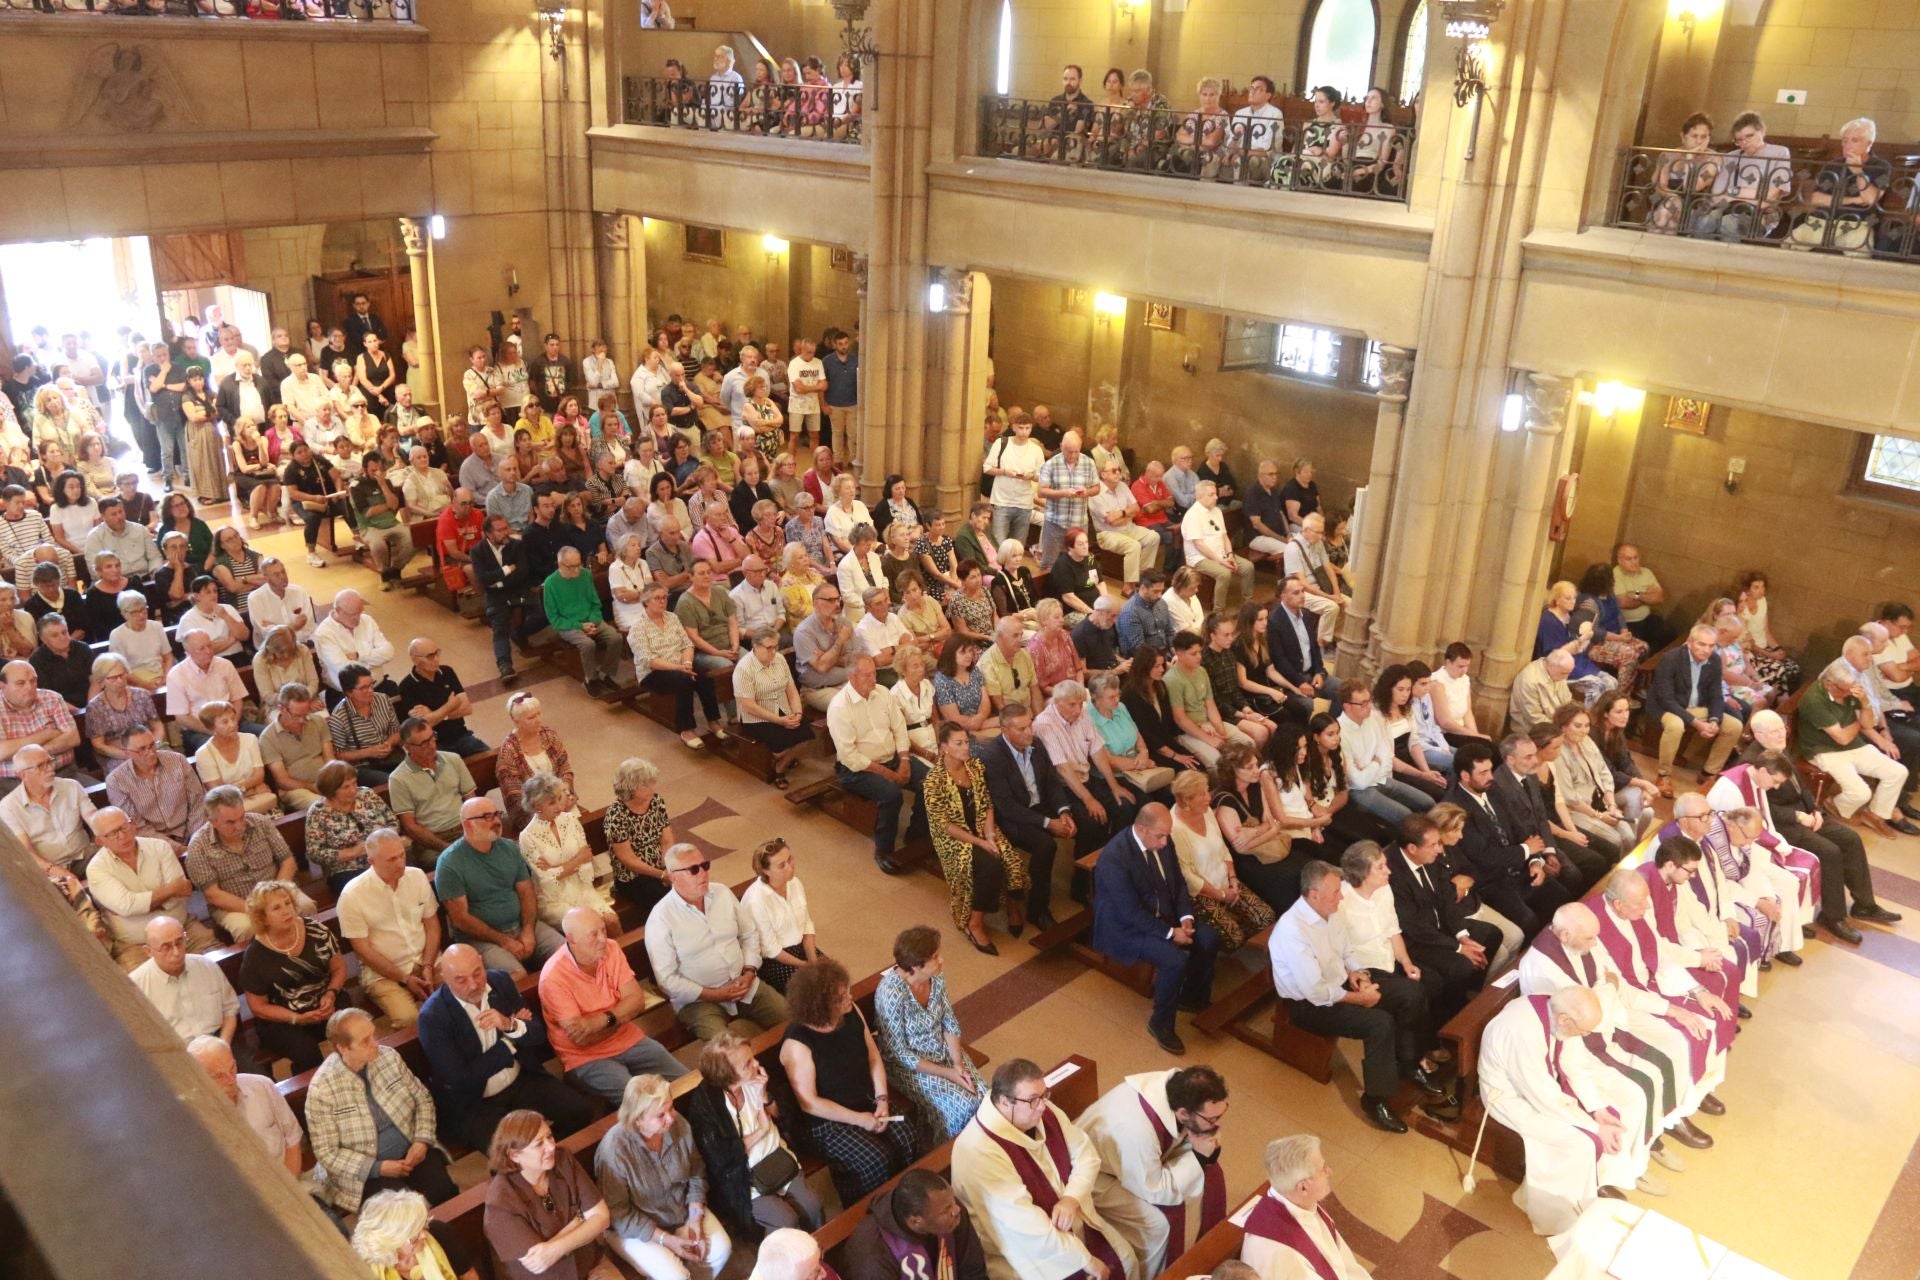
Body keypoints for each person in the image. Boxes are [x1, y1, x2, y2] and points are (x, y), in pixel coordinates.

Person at [1517, 902, 1716, 1161]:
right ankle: (1635, 1155)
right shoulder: (1543, 968)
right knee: (1636, 1091)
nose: (1595, 944)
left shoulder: (1580, 942)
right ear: (1564, 935)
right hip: (1574, 1044)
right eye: (1590, 938)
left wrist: (1670, 1010)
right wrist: (1607, 987)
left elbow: (1614, 984)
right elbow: (1587, 1018)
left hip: (1606, 1020)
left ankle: (1670, 1119)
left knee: (1676, 1045)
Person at [1269, 859, 1438, 1134]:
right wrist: (1360, 999)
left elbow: (1346, 949)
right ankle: (1375, 1098)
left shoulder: (1330, 911)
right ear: (1314, 895)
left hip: (1341, 983)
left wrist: (1359, 974)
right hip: (1308, 1005)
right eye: (1335, 892)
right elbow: (1315, 991)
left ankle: (1408, 1061)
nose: (1341, 896)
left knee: (1411, 992)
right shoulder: (1292, 931)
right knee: (1379, 1023)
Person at [1479, 987, 1658, 1235]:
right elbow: (1541, 1096)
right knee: (1580, 1142)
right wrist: (1594, 1128)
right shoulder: (1520, 1030)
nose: (1584, 1035)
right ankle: (1557, 1215)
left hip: (1538, 1086)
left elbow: (1573, 1063)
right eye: (1584, 1031)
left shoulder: (1556, 1012)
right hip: (1508, 1098)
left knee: (1616, 1111)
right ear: (1565, 1019)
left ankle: (1591, 1184)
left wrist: (1597, 1109)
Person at [951, 1056, 1139, 1280]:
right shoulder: (978, 1152)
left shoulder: (1042, 1112)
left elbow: (1086, 1155)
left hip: (1072, 1218)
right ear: (1003, 1101)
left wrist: (1072, 1197)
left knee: (1127, 1259)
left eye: (1044, 1095)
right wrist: (1084, 1260)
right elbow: (1023, 1225)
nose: (1042, 1106)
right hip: (1026, 1252)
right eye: (1032, 1100)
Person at [417, 941, 593, 1155]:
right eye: (461, 980)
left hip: (522, 1079)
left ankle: (549, 1159)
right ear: (443, 977)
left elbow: (536, 1033)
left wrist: (509, 1024)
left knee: (579, 1111)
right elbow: (460, 1079)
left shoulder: (500, 981)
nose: (473, 985)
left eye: (477, 973)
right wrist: (510, 1042)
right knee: (505, 1157)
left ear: (482, 963)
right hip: (477, 1102)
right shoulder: (432, 1017)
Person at [780, 958, 918, 1202]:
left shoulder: (850, 1012)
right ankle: (867, 1208)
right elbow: (809, 1103)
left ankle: (907, 1199)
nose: (850, 998)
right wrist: (859, 1120)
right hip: (825, 1121)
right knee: (874, 1159)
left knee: (907, 1136)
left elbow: (872, 1056)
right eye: (842, 997)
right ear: (822, 1006)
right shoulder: (798, 1043)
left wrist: (882, 1098)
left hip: (866, 1099)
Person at [1075, 1065, 1231, 1277]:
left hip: (1132, 1164)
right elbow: (1154, 1189)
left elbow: (1177, 1136)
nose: (1217, 1124)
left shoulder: (1178, 1088)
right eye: (1212, 1119)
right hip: (1096, 1176)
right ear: (1183, 1112)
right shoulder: (1136, 1131)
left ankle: (1201, 1256)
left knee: (1209, 1177)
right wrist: (1199, 1156)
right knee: (1158, 1225)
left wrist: (1203, 1147)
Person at [1091, 803, 1220, 1056]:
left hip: (1165, 914)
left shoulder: (1163, 840)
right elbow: (1129, 912)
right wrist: (1171, 934)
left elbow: (1178, 882)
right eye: (1160, 836)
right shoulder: (1115, 858)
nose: (1165, 842)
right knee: (1173, 961)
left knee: (1208, 938)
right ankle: (1160, 1023)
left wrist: (1185, 917)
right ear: (1141, 829)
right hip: (1126, 927)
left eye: (1167, 835)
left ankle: (1192, 997)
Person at [594, 1074, 734, 1280]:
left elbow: (696, 1170)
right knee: (674, 1276)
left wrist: (696, 1217)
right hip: (636, 1229)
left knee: (721, 1249)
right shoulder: (614, 1151)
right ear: (638, 1119)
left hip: (679, 1210)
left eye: (671, 1107)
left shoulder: (677, 1125)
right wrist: (665, 1240)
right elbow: (618, 1213)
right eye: (661, 1114)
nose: (671, 1117)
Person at [647, 843, 789, 1038]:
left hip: (744, 984)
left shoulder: (721, 892)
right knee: (729, 1055)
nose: (703, 873)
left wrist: (749, 971)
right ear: (672, 876)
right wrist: (714, 994)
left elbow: (749, 934)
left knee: (794, 1023)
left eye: (705, 865)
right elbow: (667, 979)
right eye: (693, 870)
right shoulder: (661, 918)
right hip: (699, 1002)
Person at [692, 1031, 824, 1237]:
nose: (756, 1064)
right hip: (745, 1178)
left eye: (752, 1057)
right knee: (786, 1221)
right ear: (727, 1075)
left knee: (813, 1206)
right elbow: (722, 1157)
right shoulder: (705, 1105)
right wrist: (762, 1130)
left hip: (778, 1160)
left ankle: (821, 1252)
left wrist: (765, 1096)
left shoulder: (757, 1078)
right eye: (747, 1063)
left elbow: (784, 1120)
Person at [1441, 739, 1570, 938]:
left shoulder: (1492, 789)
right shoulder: (1454, 808)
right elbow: (1484, 856)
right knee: (1529, 921)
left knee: (1562, 898)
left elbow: (1518, 827)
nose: (1490, 777)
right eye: (1483, 773)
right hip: (1492, 881)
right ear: (1465, 776)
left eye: (1490, 770)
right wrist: (1527, 850)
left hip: (1521, 867)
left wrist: (1535, 861)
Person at [873, 924, 986, 1144]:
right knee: (962, 1109)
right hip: (910, 1066)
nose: (941, 960)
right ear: (915, 967)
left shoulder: (936, 977)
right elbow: (899, 1054)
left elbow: (949, 1021)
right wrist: (948, 1074)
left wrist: (957, 1065)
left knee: (984, 1096)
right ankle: (950, 1153)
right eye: (935, 957)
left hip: (943, 1051)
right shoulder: (891, 993)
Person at [483, 1110, 622, 1280]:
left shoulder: (563, 1160)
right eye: (538, 1144)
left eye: (549, 1137)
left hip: (591, 1265)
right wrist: (580, 1218)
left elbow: (602, 1217)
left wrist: (555, 1248)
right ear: (514, 1155)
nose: (551, 1147)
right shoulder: (500, 1202)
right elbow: (539, 1262)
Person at [437, 796, 566, 977]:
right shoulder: (449, 863)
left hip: (522, 925)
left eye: (497, 814)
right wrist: (504, 940)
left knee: (567, 954)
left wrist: (528, 930)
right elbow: (460, 918)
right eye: (487, 817)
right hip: (483, 940)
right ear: (467, 825)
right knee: (516, 976)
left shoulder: (509, 848)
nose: (497, 821)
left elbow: (526, 892)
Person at [829, 654, 930, 872]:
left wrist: (904, 760)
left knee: (930, 781)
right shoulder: (839, 708)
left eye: (874, 672)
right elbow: (850, 756)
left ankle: (917, 833)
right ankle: (884, 849)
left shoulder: (883, 693)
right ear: (851, 677)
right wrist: (889, 774)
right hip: (858, 770)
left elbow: (900, 728)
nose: (873, 679)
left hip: (893, 758)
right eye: (867, 675)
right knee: (891, 794)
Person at [85, 805, 215, 971]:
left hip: (182, 930)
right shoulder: (96, 869)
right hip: (135, 945)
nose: (122, 836)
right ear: (99, 841)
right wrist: (170, 891)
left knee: (215, 964)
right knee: (139, 991)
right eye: (112, 833)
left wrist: (136, 908)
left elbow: (182, 894)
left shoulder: (160, 847)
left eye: (124, 827)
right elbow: (127, 906)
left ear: (132, 824)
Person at [237, 880, 347, 1073]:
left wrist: (330, 993)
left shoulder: (316, 930)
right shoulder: (255, 956)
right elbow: (258, 1007)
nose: (286, 911)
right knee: (306, 1052)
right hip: (283, 1020)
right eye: (276, 908)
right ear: (262, 917)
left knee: (352, 1028)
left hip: (324, 1002)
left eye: (288, 903)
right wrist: (297, 1018)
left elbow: (338, 968)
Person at [338, 828, 443, 1028]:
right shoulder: (353, 895)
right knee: (409, 1020)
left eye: (402, 855)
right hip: (383, 974)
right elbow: (363, 950)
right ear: (372, 862)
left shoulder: (416, 876)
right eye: (391, 859)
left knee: (465, 990)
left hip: (427, 960)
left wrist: (428, 965)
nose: (400, 863)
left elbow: (431, 924)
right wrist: (404, 978)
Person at [1798, 657, 1913, 838]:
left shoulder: (1850, 690)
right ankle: (1835, 805)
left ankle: (1875, 815)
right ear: (1829, 684)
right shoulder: (1814, 700)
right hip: (1824, 750)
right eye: (1845, 690)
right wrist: (1858, 723)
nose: (1849, 693)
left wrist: (1865, 703)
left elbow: (1867, 724)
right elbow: (1842, 738)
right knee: (1860, 793)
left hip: (1855, 746)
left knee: (1898, 772)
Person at [1237, 1135, 1368, 1280]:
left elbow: (1344, 1265)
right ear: (1303, 1187)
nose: (1329, 1171)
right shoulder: (1281, 1251)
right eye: (1323, 1168)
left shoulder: (1299, 1202)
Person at [844, 1167, 989, 1280]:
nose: (956, 1210)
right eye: (946, 1210)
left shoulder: (951, 1213)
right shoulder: (873, 1257)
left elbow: (974, 1272)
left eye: (952, 1202)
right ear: (915, 1221)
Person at [186, 1035, 299, 1177]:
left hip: (289, 1180)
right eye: (219, 1076)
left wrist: (290, 1185)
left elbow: (292, 1139)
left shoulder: (262, 1085)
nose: (231, 1079)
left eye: (232, 1067)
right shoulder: (193, 1119)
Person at [1648, 625, 1744, 791]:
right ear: (1690, 642)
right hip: (1667, 708)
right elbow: (1666, 699)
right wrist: (1696, 723)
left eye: (1711, 645)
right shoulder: (1671, 659)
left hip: (1697, 707)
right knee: (1676, 725)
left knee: (1734, 726)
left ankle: (1708, 773)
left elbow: (1716, 695)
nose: (1706, 650)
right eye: (1701, 644)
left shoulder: (1714, 660)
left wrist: (1714, 720)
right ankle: (1664, 775)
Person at [130, 916, 243, 1055]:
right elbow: (142, 1039)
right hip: (176, 1054)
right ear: (149, 951)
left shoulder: (206, 965)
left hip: (219, 1041)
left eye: (179, 942)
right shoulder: (136, 986)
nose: (176, 952)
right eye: (166, 947)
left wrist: (223, 1045)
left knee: (258, 1077)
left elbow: (230, 1010)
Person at [521, 771, 616, 930]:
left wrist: (555, 869)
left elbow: (587, 861)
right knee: (588, 928)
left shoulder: (570, 820)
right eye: (552, 803)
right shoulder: (527, 837)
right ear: (537, 807)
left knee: (611, 921)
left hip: (581, 889)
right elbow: (546, 881)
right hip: (554, 901)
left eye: (559, 799)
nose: (559, 806)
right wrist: (576, 860)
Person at [739, 838, 822, 993]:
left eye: (790, 859)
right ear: (765, 871)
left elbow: (806, 924)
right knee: (811, 992)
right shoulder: (756, 901)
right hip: (774, 960)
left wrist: (813, 960)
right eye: (781, 865)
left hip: (800, 947)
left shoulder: (795, 883)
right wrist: (805, 966)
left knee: (834, 979)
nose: (790, 866)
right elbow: (770, 949)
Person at [350, 1189, 472, 1280]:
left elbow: (468, 1274)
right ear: (391, 1243)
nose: (424, 1236)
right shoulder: (368, 1272)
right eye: (414, 1237)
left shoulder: (437, 1231)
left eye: (423, 1226)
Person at [1611, 543, 1671, 650]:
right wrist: (1648, 597)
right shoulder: (1615, 574)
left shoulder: (1646, 572)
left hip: (1646, 618)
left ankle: (1650, 661)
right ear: (1619, 560)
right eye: (1629, 559)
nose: (1634, 562)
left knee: (1668, 632)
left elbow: (1660, 598)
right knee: (1637, 646)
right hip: (1626, 623)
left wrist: (1637, 594)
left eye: (1636, 557)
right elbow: (1623, 602)